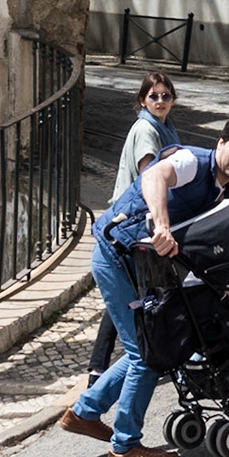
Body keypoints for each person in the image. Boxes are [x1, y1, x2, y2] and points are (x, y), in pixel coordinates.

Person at [59, 115, 229, 457]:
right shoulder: (192, 162)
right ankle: (124, 448)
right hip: (117, 256)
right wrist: (161, 224)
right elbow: (154, 176)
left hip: (145, 268)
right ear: (220, 143)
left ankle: (85, 412)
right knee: (147, 355)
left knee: (149, 345)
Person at [85, 73, 182, 385]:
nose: (160, 101)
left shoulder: (164, 126)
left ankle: (100, 366)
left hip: (133, 220)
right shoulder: (147, 130)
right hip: (131, 222)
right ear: (142, 100)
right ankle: (106, 367)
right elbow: (148, 177)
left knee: (130, 292)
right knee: (134, 291)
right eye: (154, 96)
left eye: (166, 95)